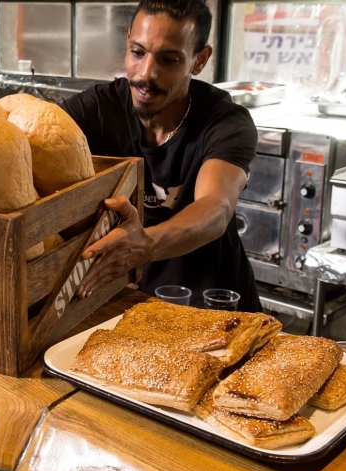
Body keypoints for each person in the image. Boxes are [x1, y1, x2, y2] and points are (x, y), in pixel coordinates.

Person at [62, 0, 261, 312]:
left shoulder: (226, 122)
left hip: (216, 308)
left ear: (200, 60)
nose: (146, 74)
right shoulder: (96, 110)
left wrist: (142, 246)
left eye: (168, 60)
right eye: (138, 52)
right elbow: (35, 138)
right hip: (136, 304)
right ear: (128, 40)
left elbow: (216, 208)